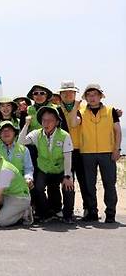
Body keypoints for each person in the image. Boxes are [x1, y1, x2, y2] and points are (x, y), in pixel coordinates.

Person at [19, 106, 75, 223]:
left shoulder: (65, 135)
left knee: (68, 187)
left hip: (60, 169)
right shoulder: (36, 134)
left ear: (57, 122)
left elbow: (68, 158)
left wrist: (67, 176)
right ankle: (46, 213)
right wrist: (26, 125)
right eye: (44, 120)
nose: (46, 123)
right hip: (44, 169)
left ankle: (68, 215)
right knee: (38, 188)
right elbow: (21, 141)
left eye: (50, 120)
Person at [78, 84, 122, 223]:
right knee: (89, 185)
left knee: (109, 184)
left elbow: (118, 131)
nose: (92, 97)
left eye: (94, 94)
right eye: (89, 95)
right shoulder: (80, 111)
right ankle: (92, 212)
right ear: (85, 98)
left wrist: (117, 149)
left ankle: (110, 214)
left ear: (100, 96)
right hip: (87, 152)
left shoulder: (111, 111)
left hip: (107, 152)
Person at [56, 81, 88, 217]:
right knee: (67, 181)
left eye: (71, 92)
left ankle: (89, 209)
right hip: (63, 151)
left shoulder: (83, 108)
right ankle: (68, 211)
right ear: (60, 94)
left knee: (84, 181)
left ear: (75, 94)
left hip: (80, 150)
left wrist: (75, 107)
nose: (68, 95)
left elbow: (75, 123)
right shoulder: (56, 110)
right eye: (65, 92)